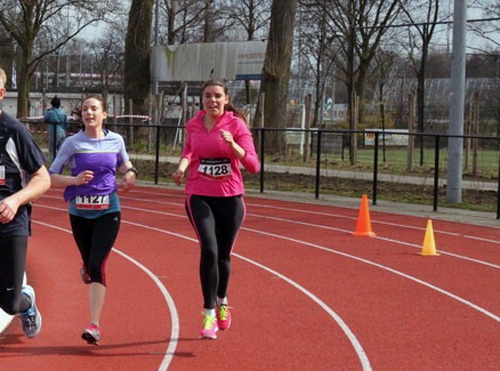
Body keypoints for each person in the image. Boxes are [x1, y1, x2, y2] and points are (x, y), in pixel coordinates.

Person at [171, 79, 260, 339]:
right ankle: (208, 312)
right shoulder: (193, 124)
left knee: (223, 256)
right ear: (202, 99)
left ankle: (222, 300)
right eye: (208, 96)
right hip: (199, 195)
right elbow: (189, 151)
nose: (212, 100)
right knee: (209, 250)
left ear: (226, 98)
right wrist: (182, 167)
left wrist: (233, 146)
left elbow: (254, 165)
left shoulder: (236, 125)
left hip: (231, 198)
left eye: (217, 96)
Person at [49, 95, 137, 345]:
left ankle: (94, 325)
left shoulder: (116, 140)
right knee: (89, 266)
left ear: (104, 114)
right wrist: (74, 181)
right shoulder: (72, 143)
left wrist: (130, 173)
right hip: (79, 211)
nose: (89, 112)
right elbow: (51, 176)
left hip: (109, 209)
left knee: (98, 265)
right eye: (85, 109)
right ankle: (86, 266)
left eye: (94, 108)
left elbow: (124, 164)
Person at [0, 66, 51, 339]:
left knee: (9, 303)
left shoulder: (14, 131)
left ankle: (26, 302)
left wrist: (15, 200)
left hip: (10, 223)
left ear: (1, 94)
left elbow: (43, 179)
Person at [44, 95, 68, 161]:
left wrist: (47, 111)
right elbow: (66, 122)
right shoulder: (63, 112)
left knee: (52, 150)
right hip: (62, 132)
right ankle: (60, 164)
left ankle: (53, 165)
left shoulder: (50, 112)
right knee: (60, 150)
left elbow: (45, 119)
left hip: (53, 131)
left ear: (52, 104)